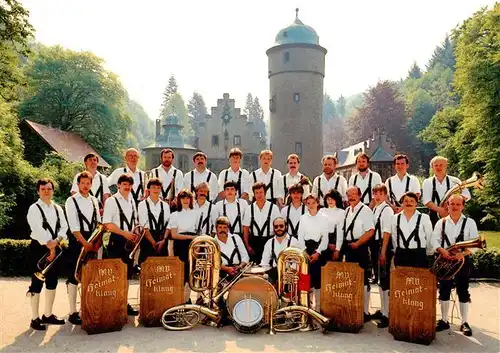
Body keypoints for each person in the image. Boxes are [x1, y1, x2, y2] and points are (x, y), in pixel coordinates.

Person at [431, 194, 478, 336]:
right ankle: (444, 320)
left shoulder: (470, 222)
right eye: (452, 204)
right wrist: (442, 250)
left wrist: (462, 254)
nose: (455, 207)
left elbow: (476, 244)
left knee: (463, 290)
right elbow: (434, 241)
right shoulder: (441, 223)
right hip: (445, 261)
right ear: (447, 205)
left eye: (458, 204)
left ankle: (464, 322)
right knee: (444, 290)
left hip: (462, 261)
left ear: (463, 206)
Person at [26, 178, 69, 330]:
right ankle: (34, 318)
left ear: (53, 191)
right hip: (39, 248)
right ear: (38, 191)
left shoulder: (58, 208)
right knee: (36, 283)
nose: (46, 191)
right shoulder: (34, 208)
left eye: (49, 188)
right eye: (43, 188)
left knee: (52, 281)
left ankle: (47, 315)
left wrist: (56, 242)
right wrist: (50, 246)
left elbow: (64, 227)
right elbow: (37, 229)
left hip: (55, 247)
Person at [65, 171, 101, 326]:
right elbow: (73, 227)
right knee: (74, 276)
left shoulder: (94, 200)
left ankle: (88, 307)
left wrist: (97, 242)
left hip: (93, 240)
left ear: (91, 185)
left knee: (92, 276)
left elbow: (98, 223)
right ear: (78, 184)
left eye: (88, 183)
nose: (86, 186)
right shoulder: (71, 201)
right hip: (77, 240)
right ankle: (73, 312)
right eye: (83, 183)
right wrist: (85, 243)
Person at [102, 173, 139, 316]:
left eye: (129, 185)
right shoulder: (111, 201)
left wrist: (135, 234)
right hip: (116, 239)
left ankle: (124, 302)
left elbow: (135, 221)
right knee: (115, 274)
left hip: (129, 240)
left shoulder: (131, 200)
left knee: (127, 274)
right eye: (124, 184)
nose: (127, 187)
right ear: (118, 185)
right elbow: (107, 224)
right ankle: (113, 303)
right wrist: (125, 234)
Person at [337, 186, 375, 322]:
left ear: (360, 196)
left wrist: (358, 243)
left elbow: (370, 231)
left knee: (363, 279)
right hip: (349, 247)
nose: (351, 197)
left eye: (354, 194)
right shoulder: (347, 210)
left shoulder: (365, 210)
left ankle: (365, 311)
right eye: (349, 195)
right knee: (351, 279)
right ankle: (353, 308)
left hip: (360, 247)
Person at [296, 194, 329, 311]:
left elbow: (325, 239)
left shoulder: (324, 218)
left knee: (318, 280)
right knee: (306, 279)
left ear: (317, 203)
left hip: (318, 250)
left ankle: (318, 308)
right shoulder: (303, 218)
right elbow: (300, 236)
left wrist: (318, 252)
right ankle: (307, 307)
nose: (311, 205)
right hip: (306, 250)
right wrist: (304, 251)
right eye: (308, 203)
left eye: (313, 203)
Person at [168, 189, 201, 303]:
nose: (185, 200)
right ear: (179, 200)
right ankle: (181, 300)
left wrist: (196, 243)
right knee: (181, 273)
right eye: (183, 198)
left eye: (188, 198)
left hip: (194, 244)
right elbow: (174, 235)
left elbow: (199, 232)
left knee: (192, 272)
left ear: (191, 200)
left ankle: (189, 299)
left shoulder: (197, 213)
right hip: (180, 245)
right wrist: (190, 238)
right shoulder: (174, 215)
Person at [370, 184, 394, 328]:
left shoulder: (386, 210)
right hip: (375, 246)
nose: (378, 196)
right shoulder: (376, 208)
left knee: (385, 280)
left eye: (381, 193)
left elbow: (387, 231)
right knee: (379, 279)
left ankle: (387, 314)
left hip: (382, 245)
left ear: (385, 195)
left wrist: (383, 251)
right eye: (375, 193)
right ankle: (383, 309)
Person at [389, 192, 433, 269]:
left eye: (411, 201)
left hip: (419, 255)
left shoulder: (424, 218)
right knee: (401, 279)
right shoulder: (395, 218)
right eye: (406, 201)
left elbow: (429, 236)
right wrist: (397, 250)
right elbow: (394, 237)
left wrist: (429, 253)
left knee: (418, 280)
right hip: (401, 255)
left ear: (416, 203)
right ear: (402, 203)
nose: (408, 203)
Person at [422, 156, 470, 226]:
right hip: (434, 216)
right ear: (432, 167)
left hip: (454, 213)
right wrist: (441, 210)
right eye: (436, 165)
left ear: (446, 166)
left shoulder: (455, 180)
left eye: (441, 165)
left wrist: (454, 204)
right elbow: (426, 201)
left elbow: (467, 195)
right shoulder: (427, 182)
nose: (438, 167)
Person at [243, 182, 281, 264]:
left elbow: (278, 228)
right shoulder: (249, 209)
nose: (259, 195)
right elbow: (245, 229)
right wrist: (247, 246)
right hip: (254, 243)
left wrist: (276, 245)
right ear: (253, 194)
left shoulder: (274, 208)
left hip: (269, 241)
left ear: (265, 193)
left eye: (261, 192)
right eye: (256, 193)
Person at [137, 177, 170, 264]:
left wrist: (164, 240)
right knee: (146, 270)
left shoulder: (166, 205)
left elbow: (168, 226)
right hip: (148, 240)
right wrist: (153, 243)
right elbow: (144, 227)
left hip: (162, 240)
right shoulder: (142, 205)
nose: (156, 190)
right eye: (153, 187)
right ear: (149, 189)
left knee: (162, 270)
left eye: (158, 188)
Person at [260, 217, 298, 286]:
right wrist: (267, 274)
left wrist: (288, 273)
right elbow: (264, 263)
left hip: (290, 275)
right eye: (276, 226)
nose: (278, 228)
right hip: (274, 275)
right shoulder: (269, 242)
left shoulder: (294, 241)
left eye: (281, 226)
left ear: (286, 226)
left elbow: (297, 262)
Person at [319, 189, 344, 261]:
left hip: (335, 242)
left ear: (337, 200)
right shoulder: (321, 211)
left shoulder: (341, 212)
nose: (330, 201)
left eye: (332, 199)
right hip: (322, 243)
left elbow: (340, 232)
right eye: (328, 199)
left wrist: (337, 249)